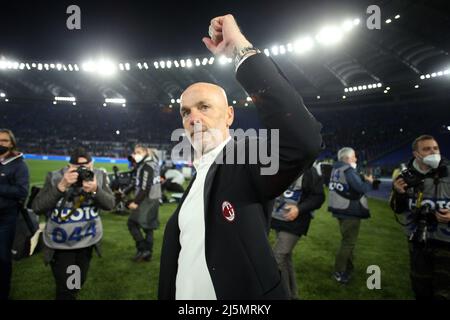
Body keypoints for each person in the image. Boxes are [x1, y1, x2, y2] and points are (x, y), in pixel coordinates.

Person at [158, 14, 323, 300]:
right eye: (185, 112)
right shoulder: (202, 173)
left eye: (204, 107)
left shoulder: (243, 156)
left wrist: (240, 51)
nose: (193, 118)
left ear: (230, 115)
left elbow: (302, 140)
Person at [32, 147, 114, 300]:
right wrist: (61, 186)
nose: (83, 171)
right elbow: (37, 207)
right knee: (67, 288)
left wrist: (96, 190)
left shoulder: (99, 176)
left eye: (86, 167)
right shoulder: (55, 176)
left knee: (77, 283)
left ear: (93, 164)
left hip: (86, 242)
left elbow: (110, 204)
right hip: (61, 244)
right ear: (69, 167)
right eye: (78, 168)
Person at [390, 135, 450, 299]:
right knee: (420, 288)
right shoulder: (404, 178)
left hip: (446, 242)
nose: (433, 152)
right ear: (416, 154)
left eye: (435, 148)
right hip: (418, 242)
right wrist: (399, 194)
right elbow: (397, 209)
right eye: (427, 149)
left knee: (444, 291)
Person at [270, 166, 325, 300]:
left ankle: (284, 296)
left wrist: (299, 209)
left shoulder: (308, 170)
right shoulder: (278, 165)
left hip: (295, 222)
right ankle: (292, 295)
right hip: (278, 219)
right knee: (286, 258)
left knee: (277, 258)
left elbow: (319, 197)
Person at [328, 147, 374, 284]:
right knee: (348, 242)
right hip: (350, 210)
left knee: (347, 241)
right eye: (354, 156)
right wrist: (368, 182)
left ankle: (348, 268)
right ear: (347, 158)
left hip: (339, 208)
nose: (356, 159)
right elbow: (361, 189)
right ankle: (339, 271)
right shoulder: (347, 170)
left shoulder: (336, 169)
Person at [0, 129, 29, 300]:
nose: (0, 143)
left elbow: (22, 191)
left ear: (11, 143)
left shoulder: (18, 164)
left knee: (3, 258)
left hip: (6, 217)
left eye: (4, 140)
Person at [127, 145, 161, 262]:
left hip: (147, 200)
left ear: (146, 152)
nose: (135, 154)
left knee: (132, 223)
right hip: (154, 198)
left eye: (138, 152)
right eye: (135, 152)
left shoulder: (147, 166)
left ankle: (142, 249)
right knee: (149, 227)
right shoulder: (153, 162)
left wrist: (136, 202)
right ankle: (147, 253)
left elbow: (145, 187)